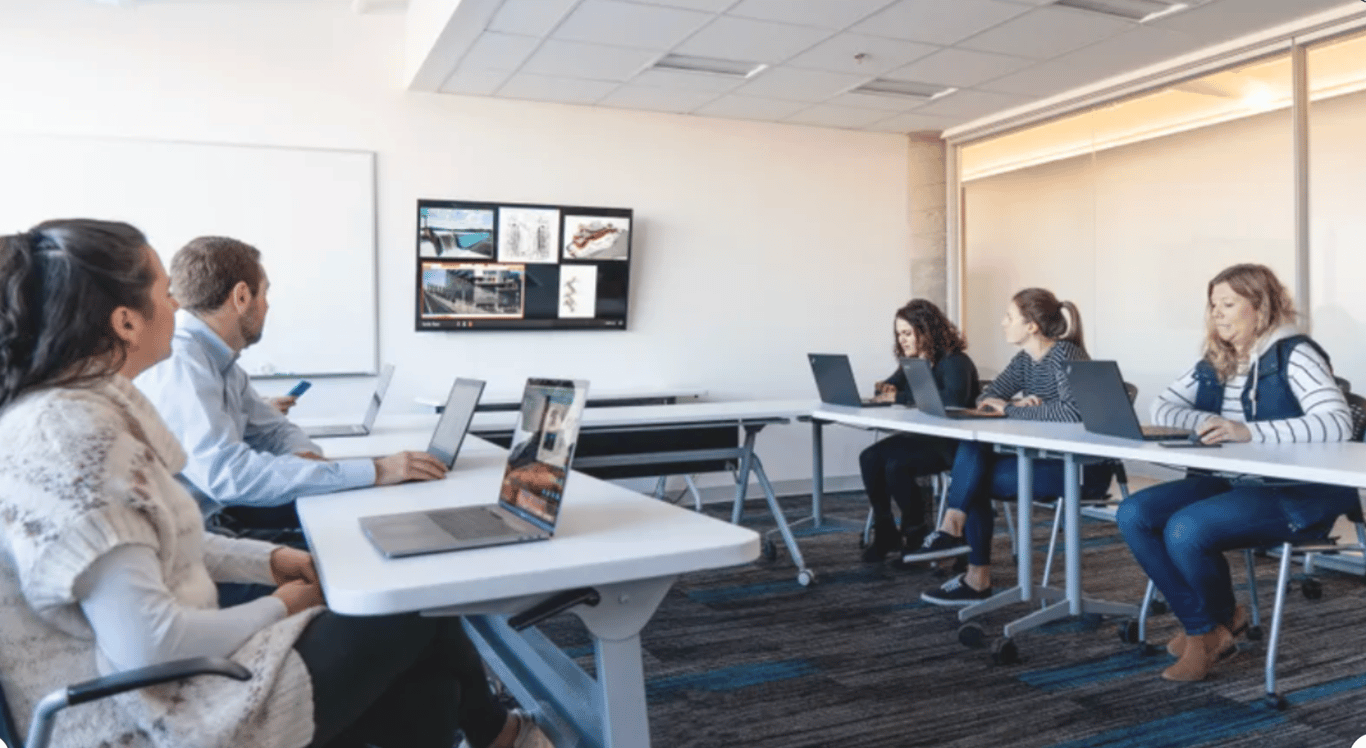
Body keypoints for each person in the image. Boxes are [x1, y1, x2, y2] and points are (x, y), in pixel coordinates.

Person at [0, 220, 550, 748]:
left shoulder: (75, 413)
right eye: (166, 294)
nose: (178, 307)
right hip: (151, 720)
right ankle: (501, 735)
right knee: (407, 605)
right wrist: (282, 605)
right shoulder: (73, 438)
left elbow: (158, 537)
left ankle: (497, 735)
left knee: (426, 687)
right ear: (126, 322)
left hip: (152, 681)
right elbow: (152, 647)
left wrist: (268, 561)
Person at [1116, 263, 1356, 682]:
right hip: (1232, 481)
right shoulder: (1220, 357)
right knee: (1134, 513)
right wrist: (1211, 423)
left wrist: (1248, 431)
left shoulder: (1294, 353)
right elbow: (1164, 407)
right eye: (1213, 305)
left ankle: (1208, 630)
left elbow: (1337, 422)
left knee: (1185, 529)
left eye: (1228, 304)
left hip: (1293, 492)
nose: (1217, 314)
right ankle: (1208, 627)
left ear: (1260, 306)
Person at [134, 235, 446, 537]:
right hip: (195, 545)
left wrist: (304, 455)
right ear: (241, 297)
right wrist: (378, 471)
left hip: (217, 523)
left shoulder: (221, 362)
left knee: (356, 522)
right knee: (352, 545)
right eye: (264, 294)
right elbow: (230, 477)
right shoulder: (181, 364)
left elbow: (272, 430)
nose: (267, 306)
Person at [906, 288, 1114, 605]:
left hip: (1081, 467)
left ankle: (970, 565)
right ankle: (955, 531)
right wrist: (1012, 403)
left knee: (971, 478)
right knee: (973, 451)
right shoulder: (1024, 360)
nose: (1003, 322)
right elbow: (984, 399)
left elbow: (1074, 412)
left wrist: (1014, 409)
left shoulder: (1066, 355)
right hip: (1042, 459)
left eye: (1009, 316)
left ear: (1031, 325)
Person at [858, 299, 980, 563]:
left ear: (926, 331)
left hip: (954, 442)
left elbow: (953, 400)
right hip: (925, 437)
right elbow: (891, 386)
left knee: (896, 465)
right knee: (869, 458)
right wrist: (886, 387)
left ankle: (916, 534)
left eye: (907, 333)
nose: (902, 340)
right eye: (899, 334)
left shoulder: (955, 361)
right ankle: (886, 532)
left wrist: (900, 396)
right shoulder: (914, 363)